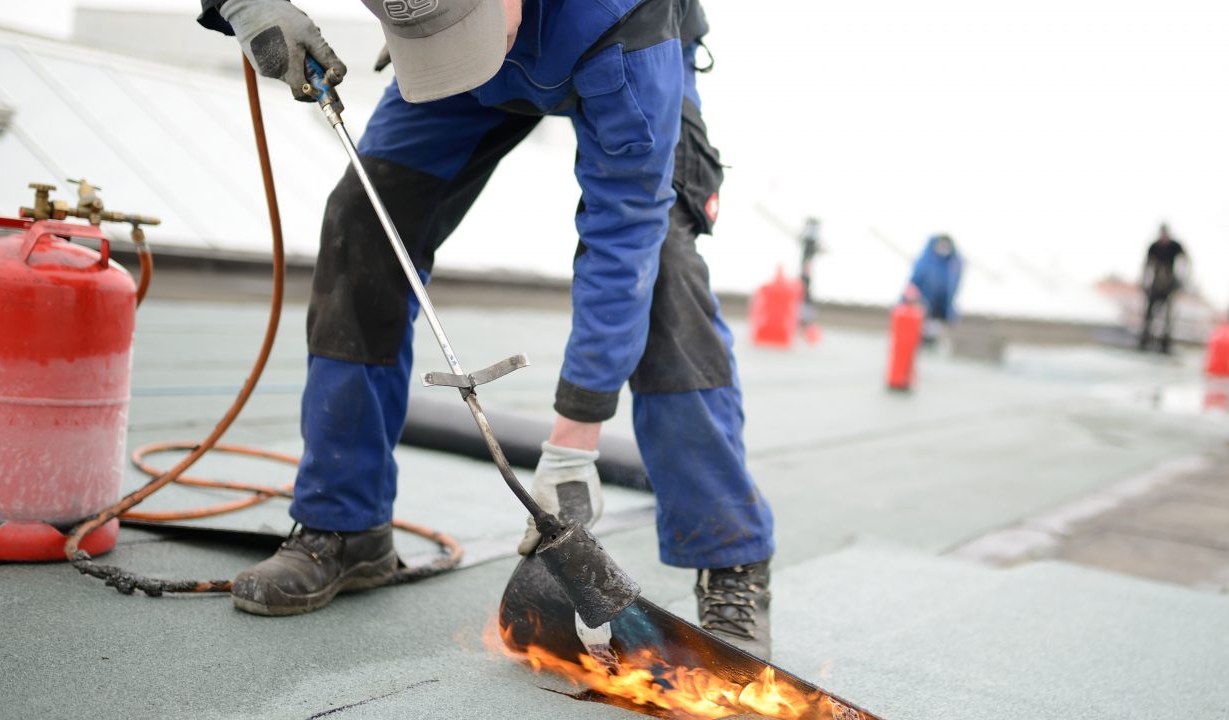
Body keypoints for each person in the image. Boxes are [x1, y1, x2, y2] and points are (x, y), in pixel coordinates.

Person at [197, 0, 776, 658]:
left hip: (606, 44)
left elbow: (624, 233)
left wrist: (573, 441)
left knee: (662, 271)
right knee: (364, 225)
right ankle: (344, 526)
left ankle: (732, 561)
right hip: (473, 74)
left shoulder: (627, 21)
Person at [1137, 223, 1190, 353]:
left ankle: (1165, 344)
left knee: (1168, 317)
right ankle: (1144, 342)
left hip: (1169, 284)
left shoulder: (1175, 246)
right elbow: (1147, 265)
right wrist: (1144, 282)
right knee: (1149, 314)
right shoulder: (1154, 246)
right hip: (1155, 284)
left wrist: (1183, 279)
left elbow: (1186, 261)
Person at [907, 234, 964, 345]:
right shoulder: (925, 261)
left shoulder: (953, 265)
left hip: (940, 308)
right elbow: (915, 281)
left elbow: (953, 287)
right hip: (923, 303)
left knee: (934, 329)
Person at [797, 217, 821, 330]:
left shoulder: (810, 245)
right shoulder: (809, 245)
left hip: (806, 277)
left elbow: (807, 265)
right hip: (805, 275)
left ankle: (805, 322)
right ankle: (804, 321)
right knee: (803, 289)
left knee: (805, 289)